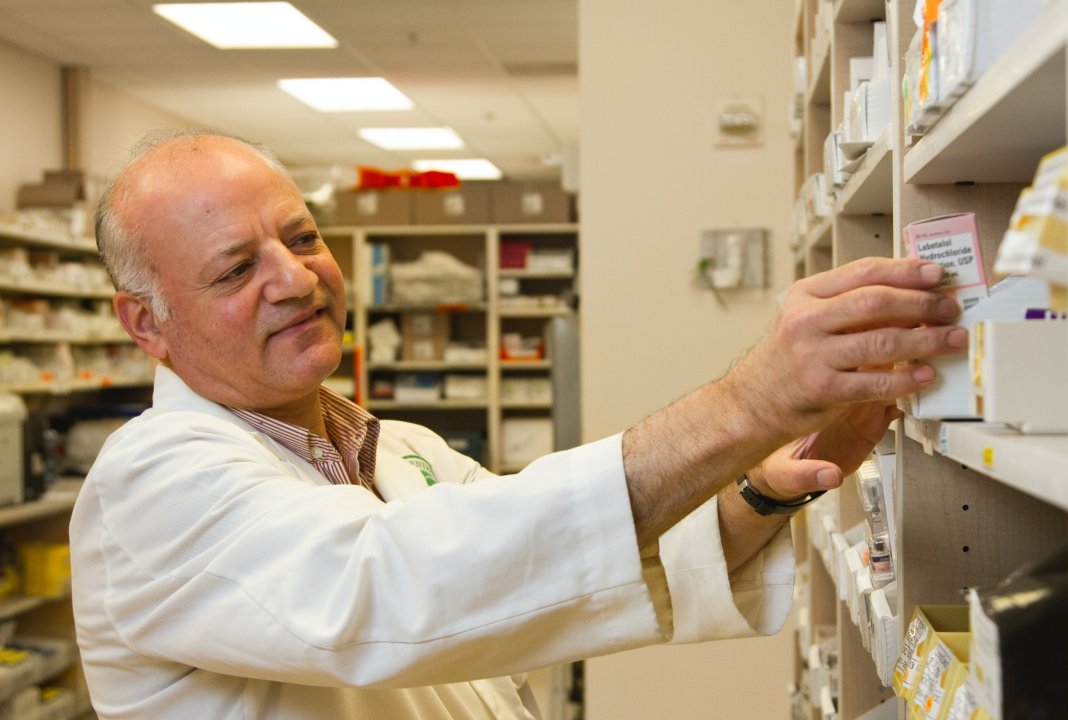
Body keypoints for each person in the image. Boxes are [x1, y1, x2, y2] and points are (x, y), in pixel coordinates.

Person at [69, 128, 966, 719]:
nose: (297, 279)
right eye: (235, 271)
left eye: (301, 239)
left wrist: (760, 491)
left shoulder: (399, 452)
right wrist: (743, 405)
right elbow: (396, 589)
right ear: (146, 323)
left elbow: (555, 573)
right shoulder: (151, 487)